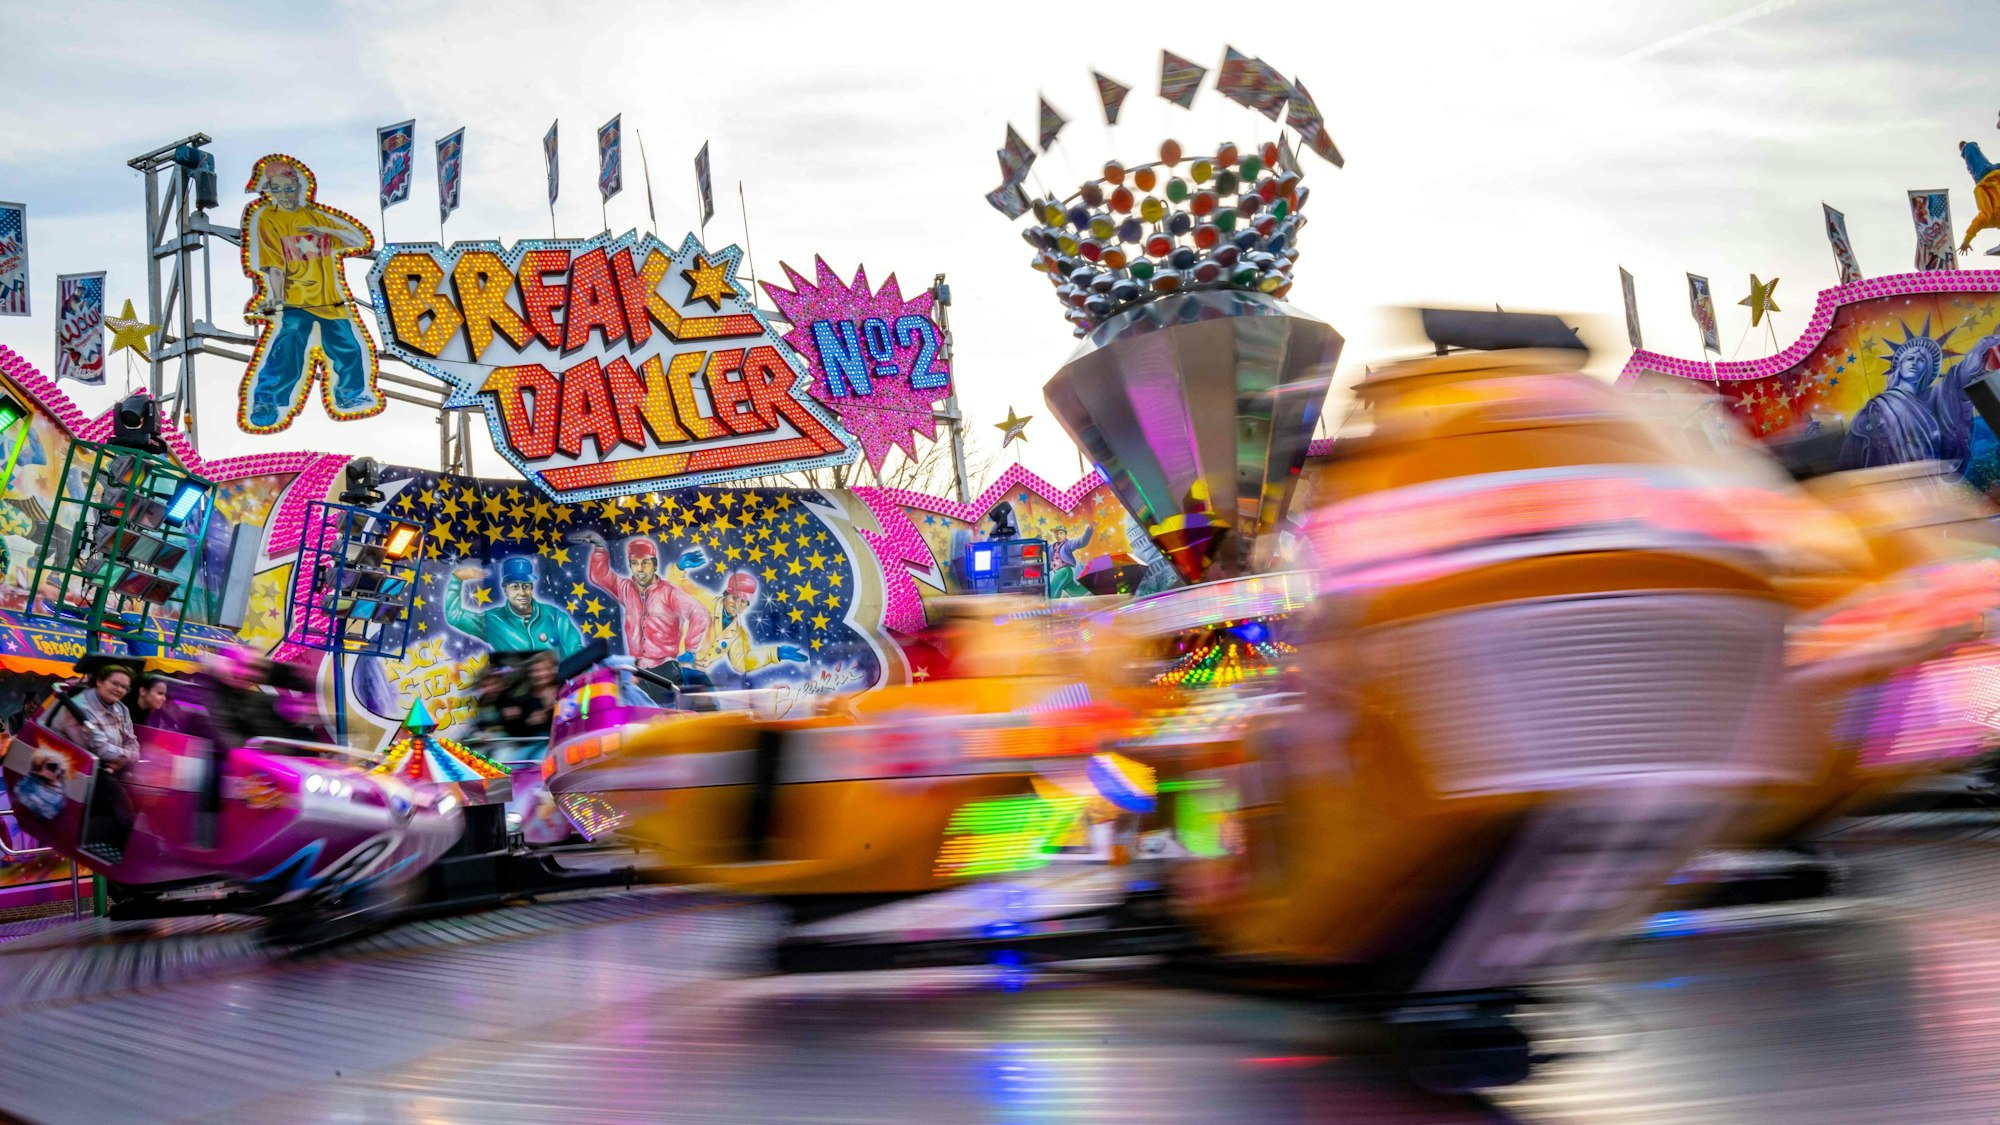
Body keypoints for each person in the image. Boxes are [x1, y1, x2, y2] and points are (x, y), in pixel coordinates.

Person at [241, 157, 380, 431]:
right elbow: (274, 265)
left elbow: (361, 240)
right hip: (297, 300)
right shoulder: (268, 218)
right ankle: (267, 401)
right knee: (287, 349)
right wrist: (276, 297)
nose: (283, 195)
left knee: (349, 348)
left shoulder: (315, 217)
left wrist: (324, 230)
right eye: (276, 189)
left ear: (299, 187)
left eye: (288, 188)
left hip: (330, 300)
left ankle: (350, 394)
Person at [577, 532, 708, 701]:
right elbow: (599, 576)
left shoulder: (669, 592)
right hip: (638, 671)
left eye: (645, 562)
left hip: (665, 670)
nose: (639, 569)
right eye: (635, 563)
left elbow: (700, 614)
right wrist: (600, 548)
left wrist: (690, 649)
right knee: (642, 712)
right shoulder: (625, 588)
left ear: (655, 565)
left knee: (670, 711)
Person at [665, 551, 808, 679]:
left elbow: (742, 662)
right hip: (673, 663)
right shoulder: (706, 600)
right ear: (725, 594)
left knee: (709, 700)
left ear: (747, 605)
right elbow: (674, 589)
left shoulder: (737, 633)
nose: (737, 604)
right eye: (734, 598)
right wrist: (678, 568)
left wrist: (775, 653)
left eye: (743, 601)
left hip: (696, 671)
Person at [49, 665, 141, 856]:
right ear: (99, 681)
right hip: (74, 767)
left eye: (124, 687)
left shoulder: (121, 708)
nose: (120, 690)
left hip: (106, 766)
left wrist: (122, 760)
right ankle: (122, 852)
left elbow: (132, 742)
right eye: (115, 683)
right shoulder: (79, 707)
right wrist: (126, 756)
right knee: (122, 811)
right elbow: (100, 749)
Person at [445, 556, 586, 659]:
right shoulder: (492, 620)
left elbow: (577, 654)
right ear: (505, 589)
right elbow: (454, 616)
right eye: (515, 587)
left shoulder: (555, 616)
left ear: (532, 588)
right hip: (517, 690)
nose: (522, 592)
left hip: (555, 689)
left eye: (526, 586)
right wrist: (456, 580)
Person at [1048, 524, 1095, 598]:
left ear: (1065, 534)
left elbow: (1081, 542)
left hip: (1064, 570)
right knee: (1077, 592)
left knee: (1054, 588)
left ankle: (1052, 603)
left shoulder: (1068, 545)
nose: (1058, 535)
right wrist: (1038, 537)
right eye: (1056, 533)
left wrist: (1089, 530)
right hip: (1057, 572)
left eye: (1061, 533)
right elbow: (1043, 545)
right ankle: (1093, 583)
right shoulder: (1051, 547)